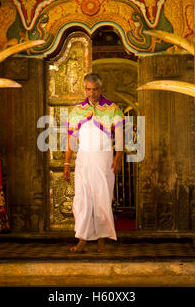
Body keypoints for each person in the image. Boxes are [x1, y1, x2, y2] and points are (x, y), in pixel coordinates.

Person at [63, 73, 124, 253]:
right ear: (85, 89)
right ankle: (82, 239)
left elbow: (120, 137)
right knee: (81, 199)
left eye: (95, 89)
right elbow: (71, 140)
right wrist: (67, 163)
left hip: (104, 159)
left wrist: (118, 158)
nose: (92, 93)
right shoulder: (77, 111)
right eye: (88, 89)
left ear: (101, 88)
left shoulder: (112, 109)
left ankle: (102, 240)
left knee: (102, 198)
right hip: (83, 159)